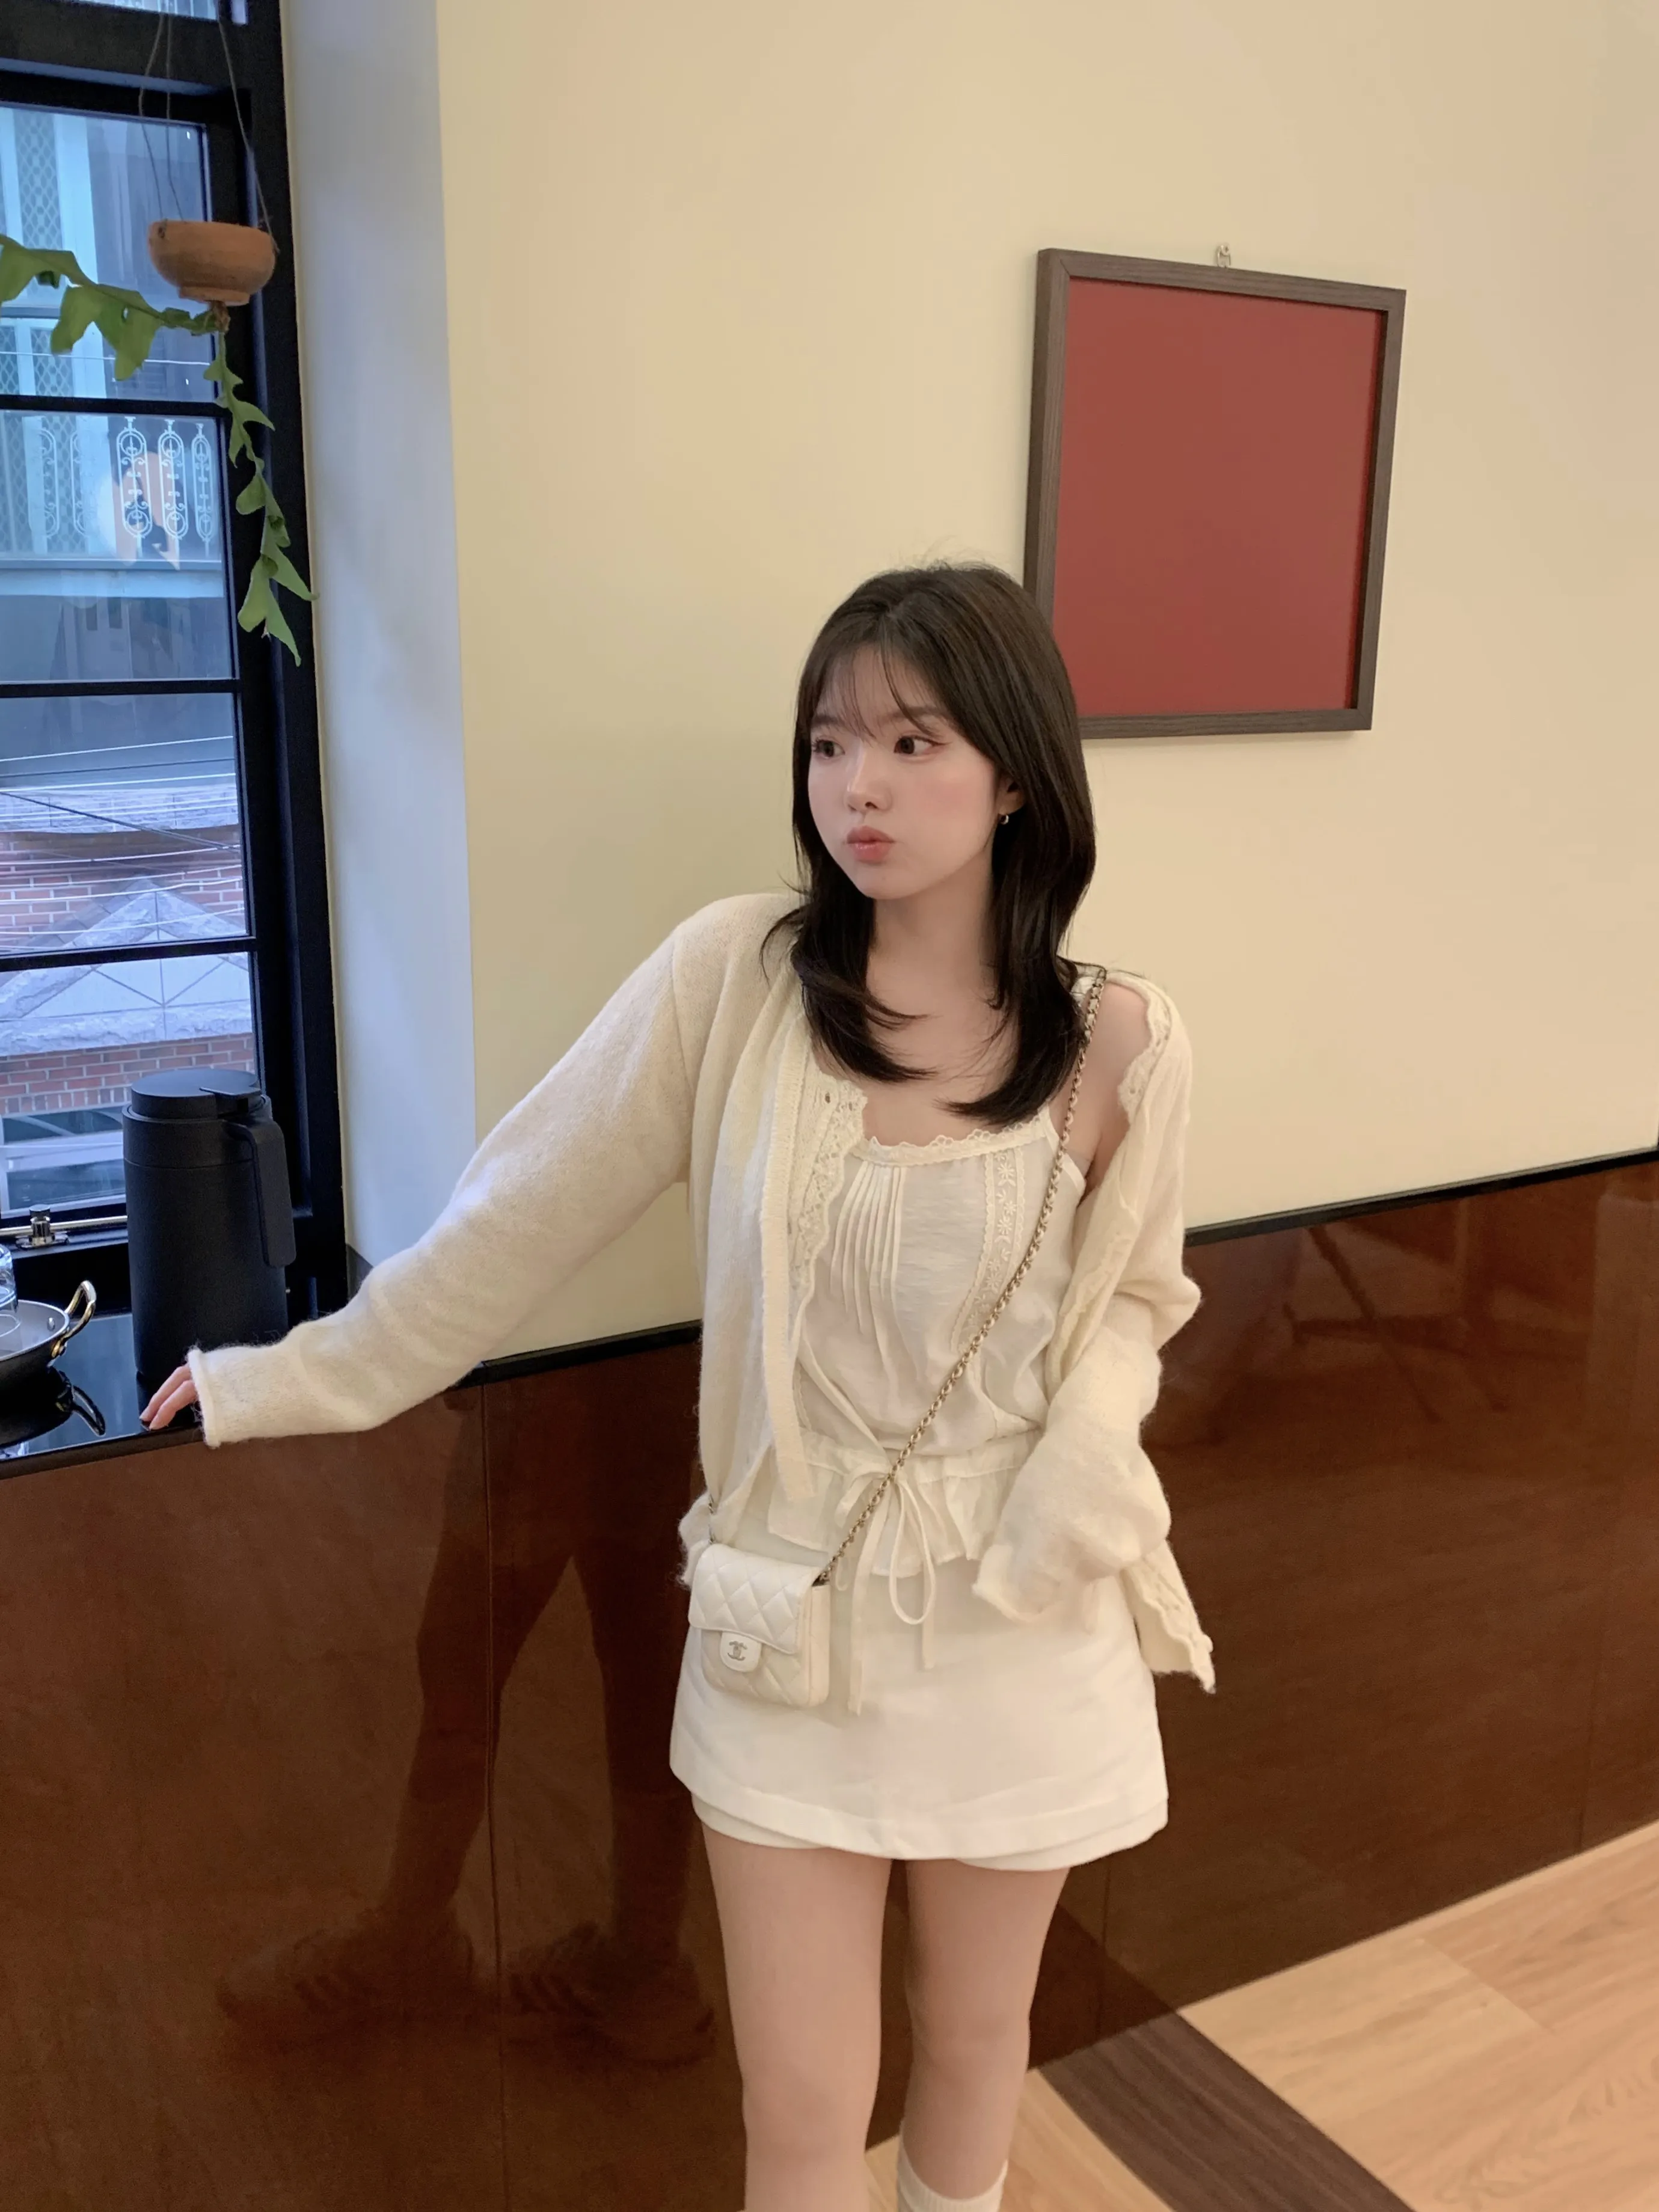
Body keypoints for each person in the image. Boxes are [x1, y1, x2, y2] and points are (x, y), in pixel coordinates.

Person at [143, 563, 1214, 2212]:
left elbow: (1136, 1295)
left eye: (911, 741)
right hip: (785, 1623)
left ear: (1014, 774)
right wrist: (290, 1378)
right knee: (798, 2097)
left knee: (972, 2041)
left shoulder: (1123, 1041)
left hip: (1017, 1612)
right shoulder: (736, 982)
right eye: (828, 743)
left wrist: (1087, 1450)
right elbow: (516, 1216)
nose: (858, 785)